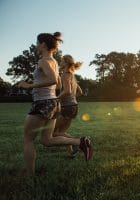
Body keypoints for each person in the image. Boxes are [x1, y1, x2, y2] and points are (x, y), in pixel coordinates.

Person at [18, 32, 92, 175]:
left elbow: (53, 80)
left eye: (37, 43)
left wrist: (29, 86)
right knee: (47, 140)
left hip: (42, 103)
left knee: (28, 139)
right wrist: (35, 83)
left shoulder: (43, 61)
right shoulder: (54, 61)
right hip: (53, 103)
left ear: (43, 44)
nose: (36, 45)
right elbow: (57, 83)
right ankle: (80, 142)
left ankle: (30, 176)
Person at [53, 55, 83, 158]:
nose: (60, 63)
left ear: (66, 63)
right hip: (74, 106)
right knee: (62, 132)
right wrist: (72, 99)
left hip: (67, 107)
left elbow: (67, 91)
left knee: (54, 132)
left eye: (61, 61)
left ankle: (78, 142)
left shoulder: (65, 75)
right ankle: (71, 152)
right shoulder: (72, 76)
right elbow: (80, 91)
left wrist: (56, 98)